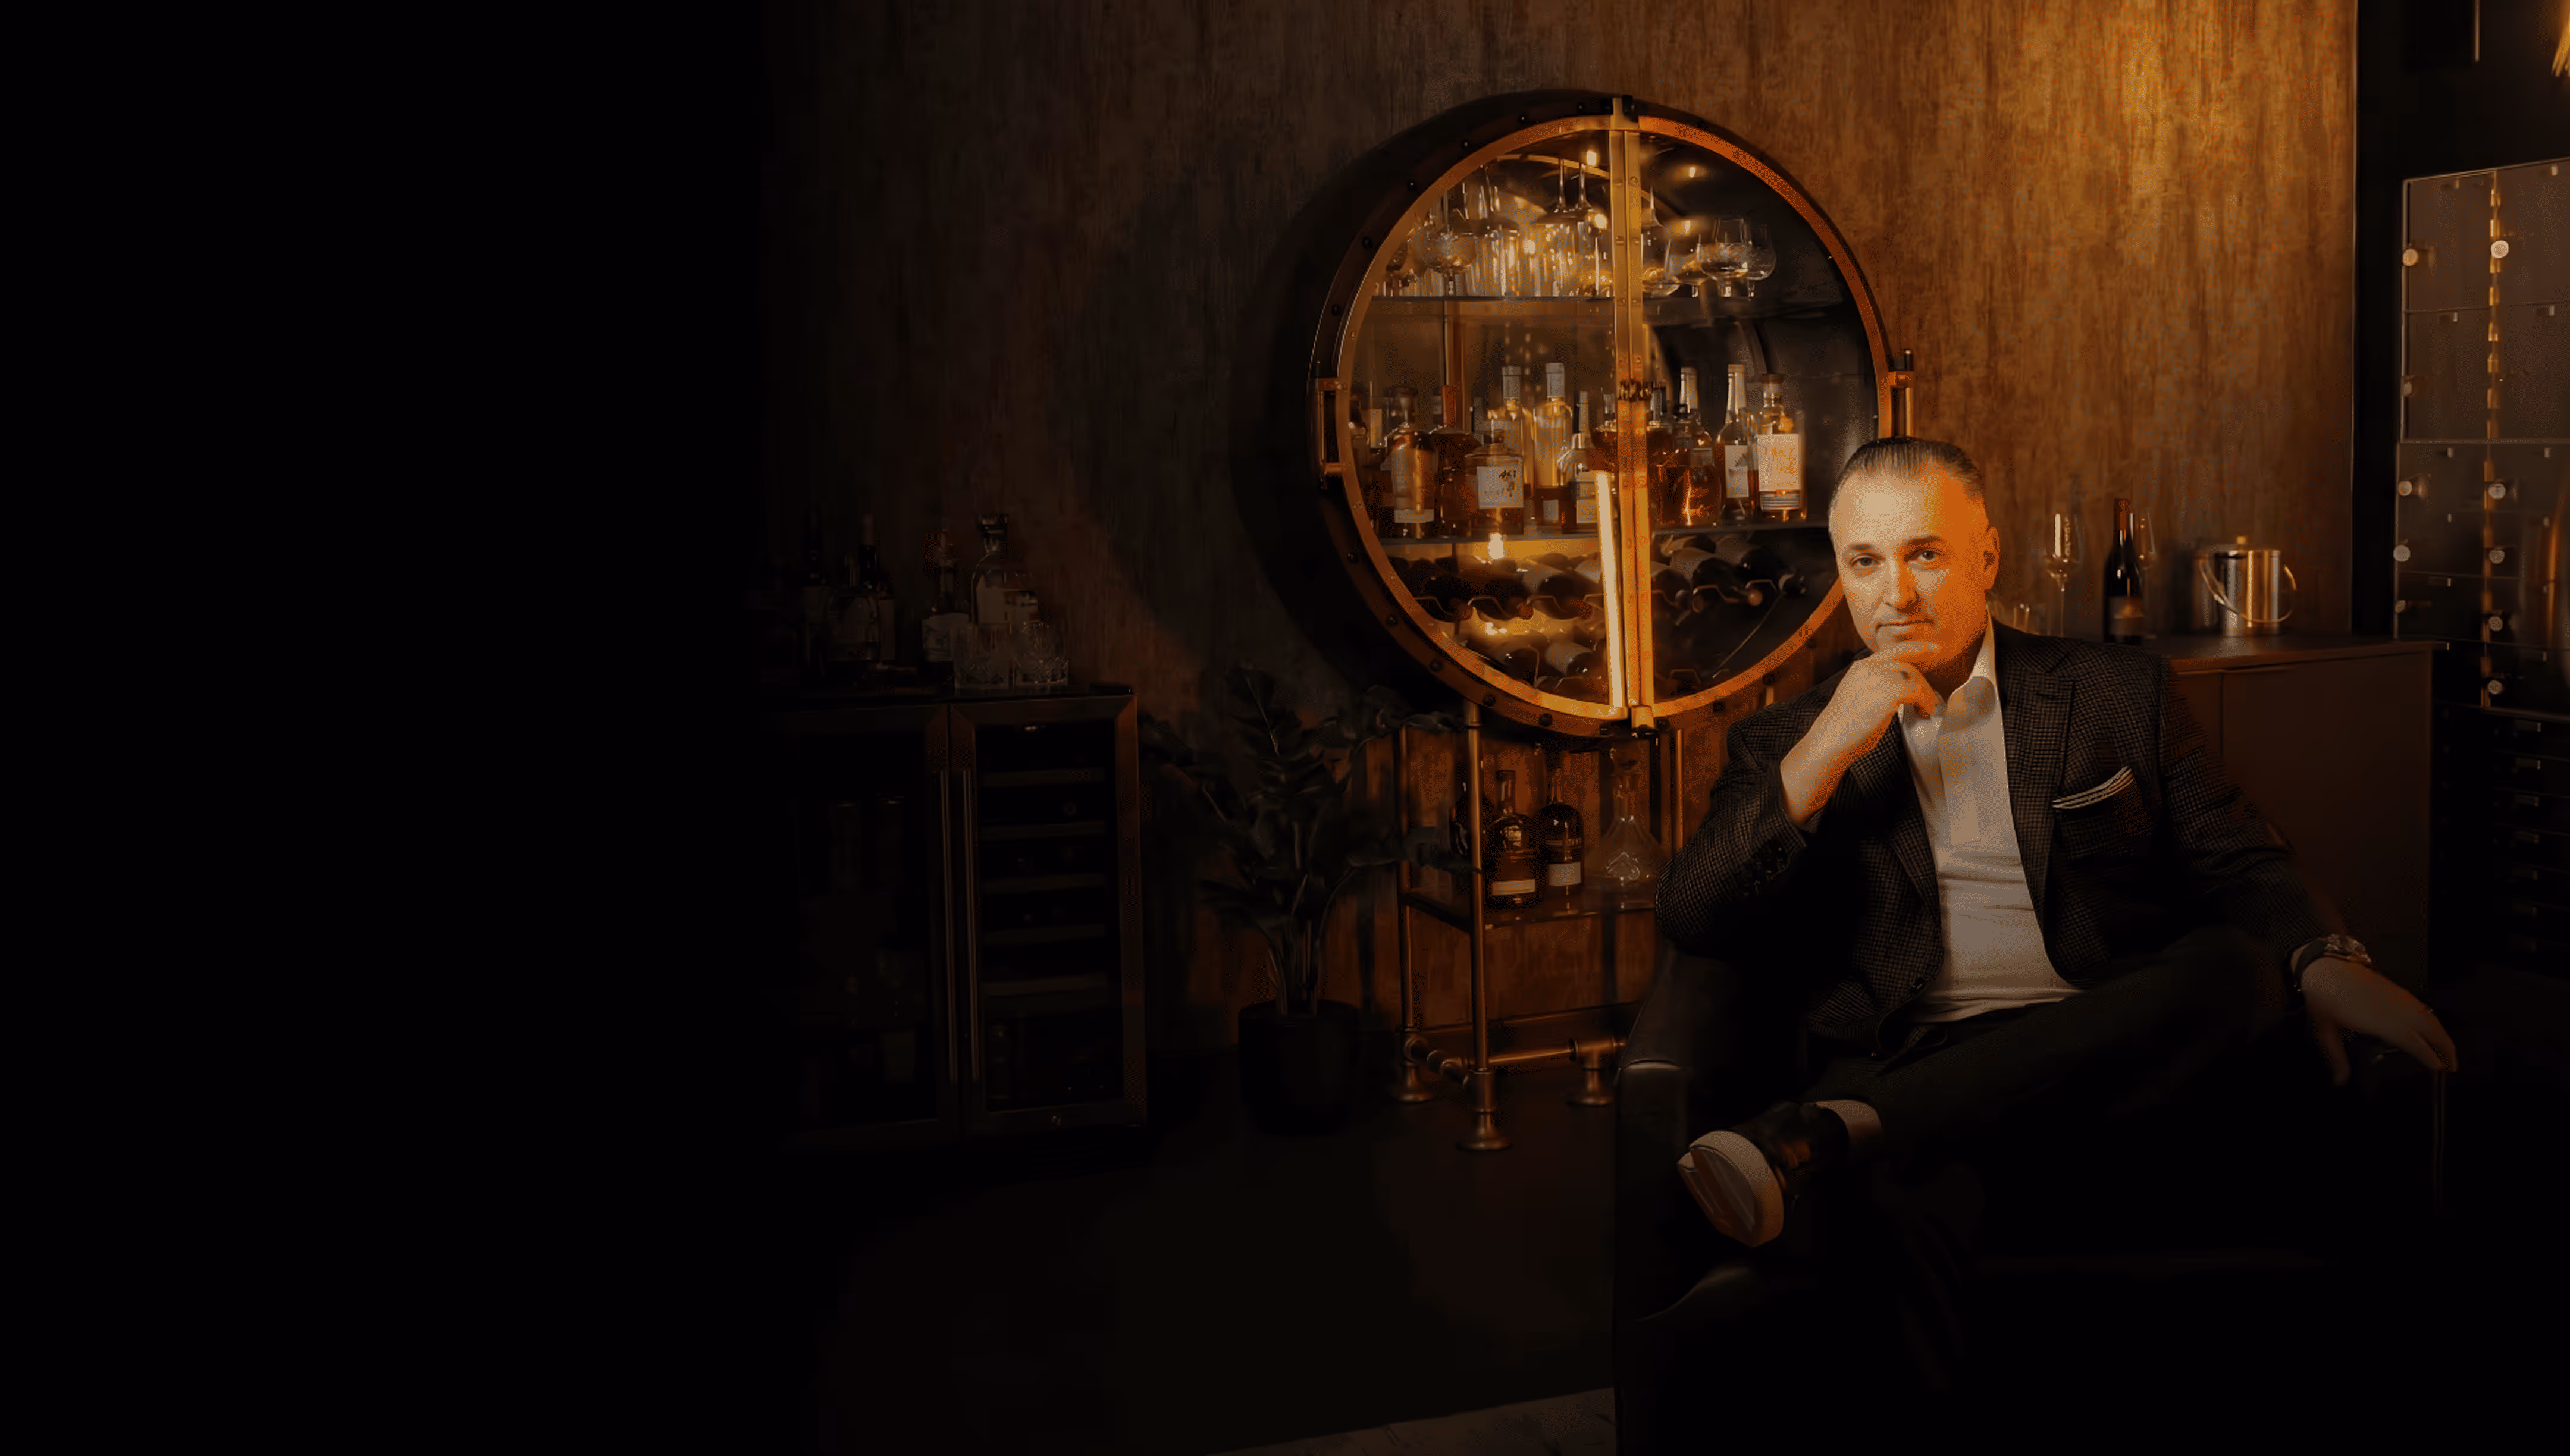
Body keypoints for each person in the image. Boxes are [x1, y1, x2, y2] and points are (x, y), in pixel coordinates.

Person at [1654, 437, 2458, 1383]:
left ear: (1988, 556)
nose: (1895, 594)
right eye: (1865, 563)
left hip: (2109, 1040)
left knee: (2231, 967)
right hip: (1916, 1049)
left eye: (1925, 554)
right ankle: (1870, 1129)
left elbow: (2236, 853)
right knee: (1897, 1202)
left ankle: (1829, 1128)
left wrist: (2324, 956)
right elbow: (1695, 917)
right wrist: (1825, 750)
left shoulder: (2115, 692)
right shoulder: (1785, 740)